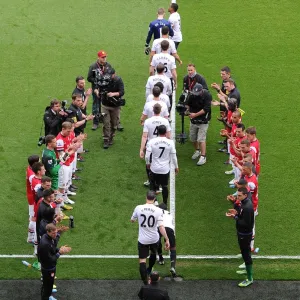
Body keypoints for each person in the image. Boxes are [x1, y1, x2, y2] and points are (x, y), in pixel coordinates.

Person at [130, 191, 170, 285]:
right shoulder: (158, 210)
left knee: (142, 261)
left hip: (143, 240)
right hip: (154, 239)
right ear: (154, 199)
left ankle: (145, 282)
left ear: (146, 197)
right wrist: (167, 239)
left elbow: (132, 220)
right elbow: (161, 227)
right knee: (153, 253)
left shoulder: (138, 208)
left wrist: (135, 219)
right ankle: (149, 269)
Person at [226, 187, 254, 287]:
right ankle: (247, 270)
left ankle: (250, 279)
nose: (237, 197)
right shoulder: (244, 203)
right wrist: (234, 207)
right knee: (244, 253)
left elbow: (245, 223)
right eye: (237, 195)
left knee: (246, 255)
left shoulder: (247, 207)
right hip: (242, 233)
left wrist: (234, 217)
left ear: (245, 195)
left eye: (239, 196)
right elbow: (240, 212)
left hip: (245, 235)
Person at [145, 125, 179, 204]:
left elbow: (147, 155)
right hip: (165, 169)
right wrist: (176, 167)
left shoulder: (152, 141)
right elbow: (174, 156)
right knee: (164, 186)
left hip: (154, 168)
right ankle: (164, 203)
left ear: (157, 131)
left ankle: (154, 201)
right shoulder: (170, 142)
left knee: (152, 185)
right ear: (166, 132)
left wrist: (148, 163)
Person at [140, 104, 171, 187]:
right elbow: (168, 136)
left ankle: (151, 181)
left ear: (153, 110)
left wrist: (141, 149)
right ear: (160, 110)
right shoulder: (165, 121)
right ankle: (159, 183)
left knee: (148, 163)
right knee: (161, 163)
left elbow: (144, 136)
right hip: (162, 144)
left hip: (151, 145)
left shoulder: (148, 121)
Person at [38, 223, 71, 300]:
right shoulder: (45, 244)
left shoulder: (48, 237)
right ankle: (46, 297)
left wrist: (59, 232)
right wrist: (60, 252)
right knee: (47, 286)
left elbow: (53, 247)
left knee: (49, 284)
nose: (55, 235)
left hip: (49, 267)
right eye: (53, 233)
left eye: (56, 232)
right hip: (48, 269)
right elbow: (50, 260)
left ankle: (48, 294)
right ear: (48, 232)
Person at [94, 68, 125, 149]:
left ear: (114, 74)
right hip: (105, 105)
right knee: (106, 123)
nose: (109, 77)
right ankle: (106, 139)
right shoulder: (103, 79)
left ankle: (111, 137)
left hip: (115, 106)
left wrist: (114, 94)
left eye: (111, 75)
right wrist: (97, 92)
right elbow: (96, 87)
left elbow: (122, 92)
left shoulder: (118, 80)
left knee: (114, 124)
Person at [185, 83, 212, 166]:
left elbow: (206, 109)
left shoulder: (207, 95)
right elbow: (187, 104)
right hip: (193, 120)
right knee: (192, 138)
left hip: (203, 120)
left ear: (201, 91)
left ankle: (203, 156)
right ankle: (197, 150)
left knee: (201, 139)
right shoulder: (192, 94)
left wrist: (195, 114)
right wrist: (187, 110)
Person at [87, 50, 113, 130]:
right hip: (96, 88)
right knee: (96, 105)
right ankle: (95, 122)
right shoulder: (93, 66)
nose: (104, 59)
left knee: (106, 104)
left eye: (105, 57)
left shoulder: (108, 65)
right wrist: (97, 80)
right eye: (103, 57)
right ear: (98, 57)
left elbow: (112, 75)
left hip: (106, 88)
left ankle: (104, 119)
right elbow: (89, 78)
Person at [157, 203, 177, 278]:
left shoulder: (157, 212)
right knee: (173, 247)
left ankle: (161, 259)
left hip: (160, 227)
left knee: (158, 242)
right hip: (169, 228)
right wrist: (167, 240)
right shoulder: (170, 214)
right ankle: (172, 266)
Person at [26, 155, 40, 244]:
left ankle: (30, 236)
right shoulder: (32, 176)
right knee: (33, 218)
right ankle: (31, 237)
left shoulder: (29, 168)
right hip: (32, 198)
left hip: (31, 196)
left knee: (32, 217)